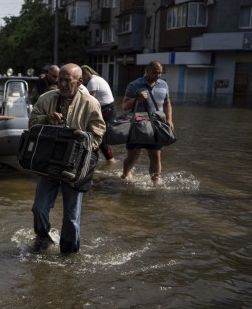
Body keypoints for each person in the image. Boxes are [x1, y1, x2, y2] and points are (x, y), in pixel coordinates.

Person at [28, 64, 106, 254]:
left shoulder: (90, 103)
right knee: (39, 208)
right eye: (59, 79)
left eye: (67, 80)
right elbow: (31, 123)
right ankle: (42, 238)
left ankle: (69, 254)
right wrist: (47, 119)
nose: (62, 83)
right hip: (48, 163)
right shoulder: (46, 98)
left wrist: (80, 149)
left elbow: (98, 133)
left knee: (71, 217)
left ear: (79, 82)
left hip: (74, 168)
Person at [121, 60, 174, 185]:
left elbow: (167, 103)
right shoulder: (134, 85)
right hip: (137, 124)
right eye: (155, 72)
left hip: (156, 124)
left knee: (155, 155)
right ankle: (125, 174)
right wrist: (137, 99)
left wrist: (169, 119)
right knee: (133, 156)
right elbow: (124, 106)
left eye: (160, 73)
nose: (158, 75)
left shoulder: (163, 84)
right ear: (147, 71)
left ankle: (155, 182)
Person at [81, 64, 115, 161]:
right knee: (98, 135)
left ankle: (110, 160)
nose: (82, 79)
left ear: (86, 73)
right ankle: (101, 159)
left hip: (106, 110)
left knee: (100, 137)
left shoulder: (93, 82)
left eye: (82, 76)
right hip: (109, 109)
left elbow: (90, 101)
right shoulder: (98, 78)